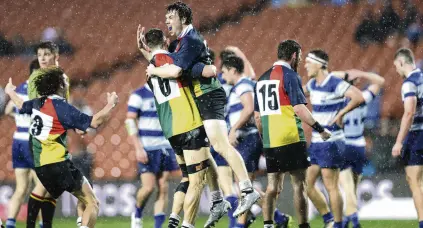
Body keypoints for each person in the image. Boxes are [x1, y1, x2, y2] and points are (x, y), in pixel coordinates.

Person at [141, 2, 260, 217]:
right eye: (166, 17)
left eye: (171, 17)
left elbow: (176, 70)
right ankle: (217, 200)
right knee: (209, 152)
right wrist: (200, 68)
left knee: (220, 145)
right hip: (201, 97)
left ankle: (247, 190)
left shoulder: (190, 39)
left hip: (209, 96)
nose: (167, 20)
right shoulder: (180, 43)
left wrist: (155, 69)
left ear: (184, 19)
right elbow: (180, 65)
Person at [4, 67, 118, 228]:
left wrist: (10, 91)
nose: (67, 83)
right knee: (92, 202)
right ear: (59, 85)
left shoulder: (38, 103)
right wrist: (110, 104)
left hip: (41, 166)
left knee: (45, 194)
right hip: (59, 164)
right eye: (65, 80)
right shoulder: (61, 107)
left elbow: (21, 105)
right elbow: (94, 122)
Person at [143, 28, 230, 228]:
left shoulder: (149, 70)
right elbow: (181, 70)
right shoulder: (174, 60)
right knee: (197, 181)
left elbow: (157, 69)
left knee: (190, 174)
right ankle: (187, 225)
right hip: (189, 123)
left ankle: (179, 215)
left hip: (171, 131)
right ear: (165, 41)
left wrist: (146, 53)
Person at [254, 40, 330, 228]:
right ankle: (303, 225)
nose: (301, 59)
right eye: (300, 56)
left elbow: (257, 117)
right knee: (299, 185)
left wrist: (265, 139)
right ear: (294, 55)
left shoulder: (262, 79)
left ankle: (268, 224)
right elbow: (299, 109)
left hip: (271, 140)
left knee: (272, 187)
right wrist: (320, 129)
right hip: (291, 137)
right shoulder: (290, 76)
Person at [303, 49, 364, 228]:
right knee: (307, 184)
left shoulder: (334, 83)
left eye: (308, 62)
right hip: (316, 142)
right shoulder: (313, 84)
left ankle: (337, 224)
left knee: (331, 186)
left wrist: (341, 114)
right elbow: (297, 93)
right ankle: (329, 219)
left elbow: (358, 97)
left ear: (320, 64)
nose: (305, 65)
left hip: (331, 141)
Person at [331, 69, 384, 228]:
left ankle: (354, 220)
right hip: (359, 146)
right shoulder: (362, 97)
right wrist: (361, 73)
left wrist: (346, 74)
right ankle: (349, 218)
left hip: (344, 145)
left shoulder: (337, 98)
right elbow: (379, 81)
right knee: (353, 188)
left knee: (346, 187)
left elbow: (330, 76)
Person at [25, 41, 70, 228]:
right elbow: (36, 106)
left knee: (53, 187)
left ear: (55, 56)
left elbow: (65, 103)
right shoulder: (36, 78)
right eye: (39, 54)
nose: (42, 58)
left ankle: (46, 225)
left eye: (46, 54)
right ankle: (31, 225)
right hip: (42, 137)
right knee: (45, 183)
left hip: (57, 134)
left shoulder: (62, 77)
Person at [126, 84, 179, 228]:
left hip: (165, 146)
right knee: (148, 187)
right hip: (147, 147)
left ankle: (158, 226)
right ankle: (137, 212)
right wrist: (138, 148)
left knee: (163, 187)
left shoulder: (169, 92)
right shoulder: (139, 94)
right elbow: (129, 121)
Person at [4, 59, 40, 228]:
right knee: (41, 187)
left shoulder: (19, 89)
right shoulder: (38, 90)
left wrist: (19, 118)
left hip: (17, 139)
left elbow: (7, 110)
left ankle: (10, 223)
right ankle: (39, 224)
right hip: (31, 141)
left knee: (21, 188)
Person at [392, 48, 423, 228]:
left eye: (396, 65)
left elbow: (409, 112)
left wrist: (398, 141)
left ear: (402, 62)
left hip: (418, 134)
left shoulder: (409, 83)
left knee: (414, 180)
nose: (396, 70)